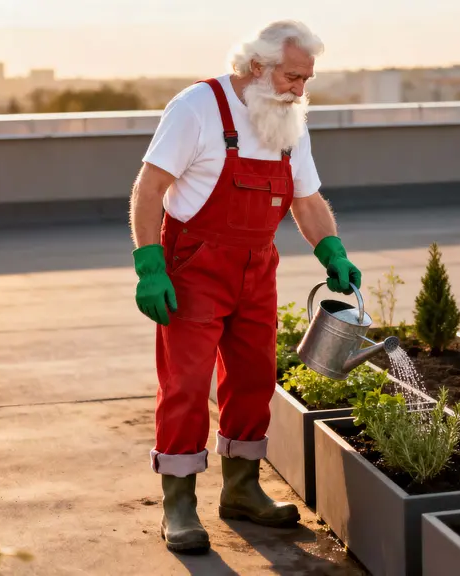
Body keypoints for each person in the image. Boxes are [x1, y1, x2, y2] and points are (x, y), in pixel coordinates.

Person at [128, 20, 362, 554]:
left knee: (254, 378)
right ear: (257, 66)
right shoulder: (196, 108)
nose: (300, 90)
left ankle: (241, 490)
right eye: (292, 77)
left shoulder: (288, 120)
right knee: (186, 384)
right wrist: (149, 264)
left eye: (307, 79)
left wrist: (333, 250)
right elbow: (150, 187)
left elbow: (306, 197)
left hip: (257, 267)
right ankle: (179, 505)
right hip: (194, 267)